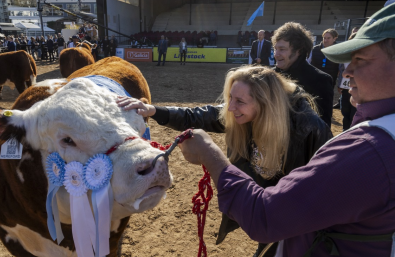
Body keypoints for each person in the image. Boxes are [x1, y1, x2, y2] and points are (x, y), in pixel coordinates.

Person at [167, 4, 395, 256]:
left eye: (360, 59)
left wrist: (210, 153)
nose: (348, 71)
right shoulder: (379, 130)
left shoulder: (369, 150)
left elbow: (267, 216)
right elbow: (214, 114)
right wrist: (158, 112)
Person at [117, 65, 332, 257]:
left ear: (265, 103)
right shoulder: (243, 114)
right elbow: (198, 115)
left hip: (299, 228)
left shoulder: (309, 129)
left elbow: (328, 187)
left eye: (239, 101)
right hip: (266, 216)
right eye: (231, 98)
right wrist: (155, 111)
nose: (230, 108)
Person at [273, 22, 334, 127]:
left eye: (282, 49)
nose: (276, 54)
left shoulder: (320, 80)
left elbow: (322, 127)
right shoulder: (270, 75)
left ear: (298, 51)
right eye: (275, 49)